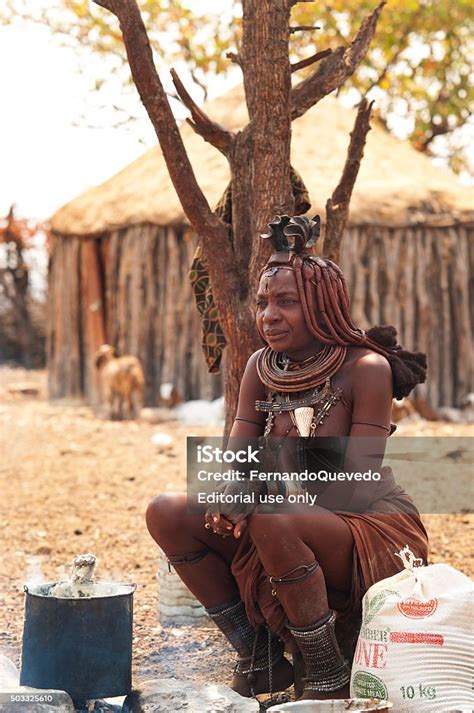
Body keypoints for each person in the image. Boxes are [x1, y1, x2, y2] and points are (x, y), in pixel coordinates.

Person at [146, 214, 429, 702]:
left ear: (322, 306)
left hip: (365, 527)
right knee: (167, 512)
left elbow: (355, 483)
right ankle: (260, 660)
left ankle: (325, 672)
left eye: (286, 302)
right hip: (277, 516)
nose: (268, 316)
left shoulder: (367, 369)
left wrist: (259, 486)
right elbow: (239, 456)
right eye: (263, 303)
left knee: (268, 512)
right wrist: (229, 491)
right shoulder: (261, 366)